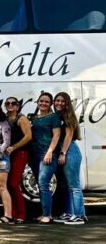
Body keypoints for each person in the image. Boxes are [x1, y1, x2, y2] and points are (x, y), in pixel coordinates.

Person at [54, 92, 88, 225]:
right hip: (63, 151)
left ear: (67, 103)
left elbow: (68, 136)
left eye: (63, 101)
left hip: (69, 151)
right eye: (57, 100)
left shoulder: (68, 116)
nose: (59, 103)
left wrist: (63, 153)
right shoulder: (57, 116)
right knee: (65, 186)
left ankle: (79, 215)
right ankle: (69, 213)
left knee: (74, 186)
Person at [30, 91, 61, 225]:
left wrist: (49, 152)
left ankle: (48, 215)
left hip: (47, 154)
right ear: (37, 102)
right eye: (41, 101)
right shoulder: (35, 118)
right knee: (40, 185)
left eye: (46, 102)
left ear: (50, 104)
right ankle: (44, 213)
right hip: (35, 154)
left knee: (44, 183)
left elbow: (56, 135)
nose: (43, 103)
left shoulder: (53, 117)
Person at [4, 96, 32, 224]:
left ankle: (21, 214)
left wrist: (13, 147)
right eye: (8, 103)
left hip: (20, 153)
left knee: (14, 184)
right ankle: (13, 213)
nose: (10, 105)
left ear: (17, 106)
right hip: (8, 154)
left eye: (13, 103)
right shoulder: (5, 119)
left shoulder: (22, 119)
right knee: (8, 184)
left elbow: (28, 137)